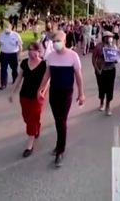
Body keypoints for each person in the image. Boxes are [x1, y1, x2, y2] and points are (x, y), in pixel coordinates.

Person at [38, 31, 85, 168]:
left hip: (66, 92)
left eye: (58, 41)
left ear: (64, 41)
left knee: (61, 120)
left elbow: (78, 76)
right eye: (54, 41)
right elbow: (47, 74)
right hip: (54, 92)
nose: (55, 43)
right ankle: (59, 144)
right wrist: (41, 88)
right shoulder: (51, 56)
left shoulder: (73, 56)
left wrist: (81, 93)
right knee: (58, 120)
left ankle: (60, 150)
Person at [9, 42, 47, 157]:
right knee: (27, 118)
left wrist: (42, 92)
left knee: (31, 119)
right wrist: (12, 92)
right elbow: (19, 78)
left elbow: (47, 81)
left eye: (33, 50)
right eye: (29, 50)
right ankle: (36, 127)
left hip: (37, 96)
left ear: (39, 51)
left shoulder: (44, 65)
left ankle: (29, 145)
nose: (31, 52)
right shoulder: (25, 63)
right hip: (24, 95)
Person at [92, 31, 119, 115]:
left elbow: (117, 57)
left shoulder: (114, 46)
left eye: (111, 37)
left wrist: (116, 59)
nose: (110, 38)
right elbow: (94, 58)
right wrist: (96, 69)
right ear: (104, 37)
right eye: (108, 36)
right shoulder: (98, 47)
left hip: (111, 70)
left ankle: (108, 106)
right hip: (101, 70)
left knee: (110, 88)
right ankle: (101, 103)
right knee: (101, 87)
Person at [0, 22, 22, 90]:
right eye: (5, 27)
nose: (6, 29)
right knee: (3, 69)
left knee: (14, 69)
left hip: (13, 54)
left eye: (8, 27)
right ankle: (3, 84)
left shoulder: (16, 35)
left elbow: (20, 46)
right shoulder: (1, 35)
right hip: (4, 54)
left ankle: (15, 80)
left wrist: (19, 55)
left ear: (11, 27)